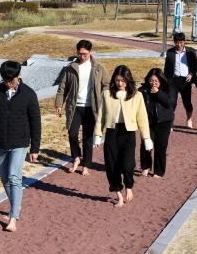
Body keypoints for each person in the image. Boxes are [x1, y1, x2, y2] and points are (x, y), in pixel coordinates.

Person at [0, 60, 41, 232]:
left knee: (14, 177)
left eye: (11, 80)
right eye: (5, 80)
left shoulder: (29, 94)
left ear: (18, 76)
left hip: (20, 142)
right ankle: (16, 203)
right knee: (4, 178)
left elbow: (35, 122)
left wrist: (35, 148)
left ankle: (13, 218)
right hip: (0, 142)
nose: (8, 84)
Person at [94, 65, 152, 207]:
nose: (120, 83)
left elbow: (142, 118)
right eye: (118, 80)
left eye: (123, 80)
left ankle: (129, 186)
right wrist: (97, 134)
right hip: (112, 132)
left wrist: (146, 138)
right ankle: (119, 194)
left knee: (128, 164)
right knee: (112, 165)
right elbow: (101, 115)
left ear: (128, 80)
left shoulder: (137, 95)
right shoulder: (107, 94)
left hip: (128, 133)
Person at [55, 39, 109, 176]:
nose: (82, 56)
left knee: (88, 137)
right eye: (79, 54)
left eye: (85, 54)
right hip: (74, 107)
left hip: (91, 107)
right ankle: (76, 157)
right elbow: (62, 88)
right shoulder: (70, 68)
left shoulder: (99, 68)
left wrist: (102, 97)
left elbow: (107, 85)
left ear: (90, 52)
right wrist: (58, 104)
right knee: (72, 133)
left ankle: (86, 165)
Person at [139, 68, 175, 178]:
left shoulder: (169, 89)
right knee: (146, 144)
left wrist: (158, 93)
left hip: (164, 122)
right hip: (148, 122)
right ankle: (145, 167)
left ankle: (158, 171)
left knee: (160, 147)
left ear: (161, 80)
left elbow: (170, 103)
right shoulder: (143, 90)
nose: (153, 83)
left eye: (156, 81)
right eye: (151, 81)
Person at [163, 31, 197, 128]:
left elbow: (195, 65)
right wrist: (165, 81)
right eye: (177, 42)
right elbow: (167, 68)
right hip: (173, 80)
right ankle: (170, 123)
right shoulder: (170, 52)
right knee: (172, 102)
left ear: (184, 41)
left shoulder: (190, 51)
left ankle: (189, 119)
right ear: (174, 42)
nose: (179, 45)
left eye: (181, 42)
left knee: (187, 102)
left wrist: (191, 74)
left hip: (186, 81)